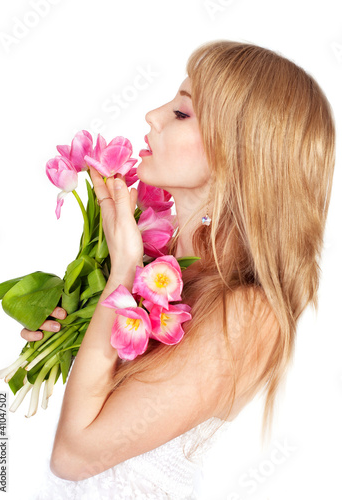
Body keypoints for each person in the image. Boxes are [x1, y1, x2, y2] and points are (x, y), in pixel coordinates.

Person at [23, 40, 335, 499]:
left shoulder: (249, 312)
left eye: (183, 114)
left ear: (242, 154)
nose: (153, 114)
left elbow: (74, 457)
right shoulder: (167, 270)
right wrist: (75, 332)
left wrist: (124, 272)